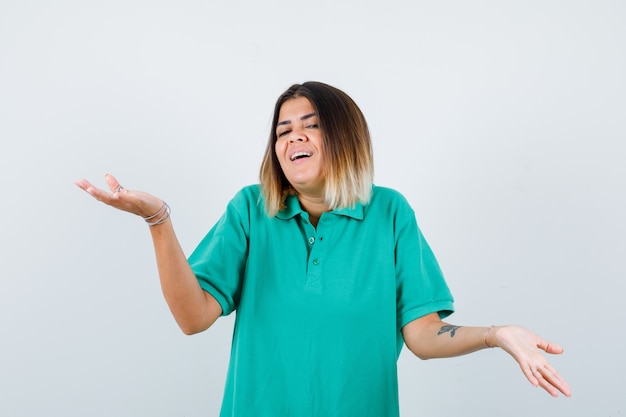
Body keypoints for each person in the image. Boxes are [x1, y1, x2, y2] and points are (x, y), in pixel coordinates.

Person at [75, 81, 571, 416]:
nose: (294, 138)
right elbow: (192, 317)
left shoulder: (390, 214)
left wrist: (497, 334)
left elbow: (423, 335)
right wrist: (158, 220)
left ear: (344, 136)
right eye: (282, 131)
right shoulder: (251, 210)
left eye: (310, 125)